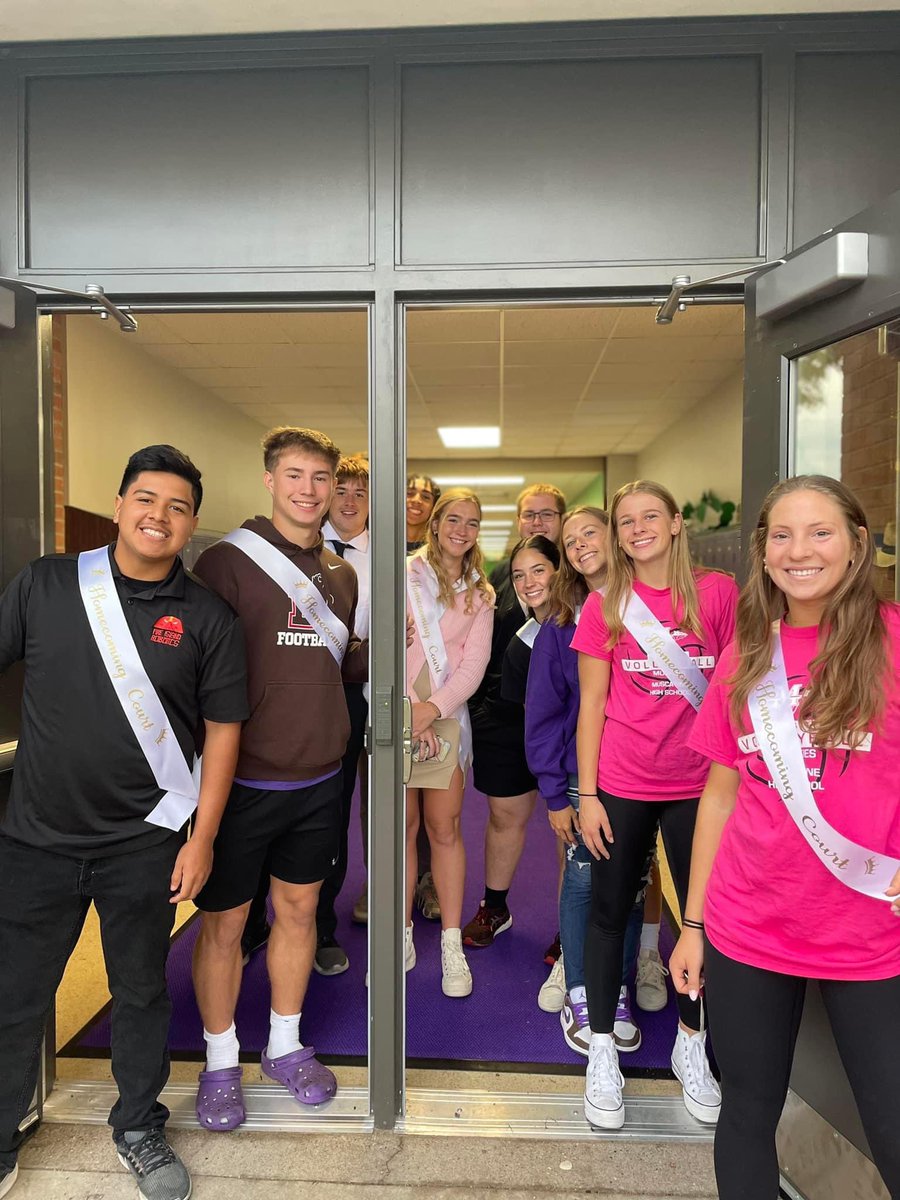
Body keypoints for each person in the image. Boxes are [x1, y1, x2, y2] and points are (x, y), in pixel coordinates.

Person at [0, 446, 248, 1200]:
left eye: (177, 507)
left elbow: (224, 729)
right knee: (15, 994)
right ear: (118, 505)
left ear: (192, 524)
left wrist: (202, 837)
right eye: (146, 499)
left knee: (140, 992)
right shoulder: (46, 583)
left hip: (145, 845)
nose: (159, 516)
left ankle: (138, 1126)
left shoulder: (207, 616)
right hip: (36, 840)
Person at [671, 475, 900, 1200]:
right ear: (763, 553)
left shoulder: (895, 639)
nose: (800, 551)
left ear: (859, 544)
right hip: (750, 927)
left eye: (821, 532)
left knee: (893, 1125)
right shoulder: (747, 654)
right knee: (745, 1112)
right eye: (781, 535)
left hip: (871, 931)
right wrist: (694, 924)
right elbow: (721, 793)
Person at [191, 426, 367, 1132]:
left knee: (298, 914)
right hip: (242, 784)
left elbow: (334, 669)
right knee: (225, 925)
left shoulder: (343, 575)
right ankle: (220, 1058)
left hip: (321, 779)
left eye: (320, 478)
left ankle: (286, 1046)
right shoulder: (225, 565)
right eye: (294, 475)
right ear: (270, 480)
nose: (308, 489)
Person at [572, 480, 738, 1131]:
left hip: (701, 785)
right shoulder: (605, 602)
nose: (638, 528)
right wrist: (587, 795)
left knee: (703, 917)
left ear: (674, 522)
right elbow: (591, 705)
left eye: (650, 517)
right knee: (610, 912)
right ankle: (604, 1053)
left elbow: (736, 692)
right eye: (626, 521)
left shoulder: (718, 594)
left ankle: (690, 1044)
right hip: (622, 782)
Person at [463, 483, 566, 950]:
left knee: (573, 828)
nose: (538, 522)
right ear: (518, 522)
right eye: (530, 515)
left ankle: (572, 928)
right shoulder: (495, 584)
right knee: (505, 816)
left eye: (548, 514)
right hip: (505, 724)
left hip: (569, 729)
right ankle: (495, 906)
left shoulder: (585, 591)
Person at [406, 488, 494, 997]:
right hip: (396, 712)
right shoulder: (403, 575)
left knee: (445, 828)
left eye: (473, 522)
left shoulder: (481, 594)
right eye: (453, 519)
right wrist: (404, 710)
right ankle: (399, 937)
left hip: (443, 716)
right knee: (402, 829)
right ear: (435, 523)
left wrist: (431, 710)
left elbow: (473, 666)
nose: (462, 529)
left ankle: (451, 942)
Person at [405, 472, 441, 918]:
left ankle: (428, 881)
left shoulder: (439, 559)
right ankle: (386, 880)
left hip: (434, 693)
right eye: (409, 492)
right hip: (384, 687)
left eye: (426, 495)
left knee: (433, 801)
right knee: (385, 802)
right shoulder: (375, 544)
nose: (416, 500)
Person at [406, 474, 440, 552]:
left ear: (433, 508)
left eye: (426, 497)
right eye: (409, 493)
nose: (416, 500)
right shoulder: (378, 541)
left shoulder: (438, 550)